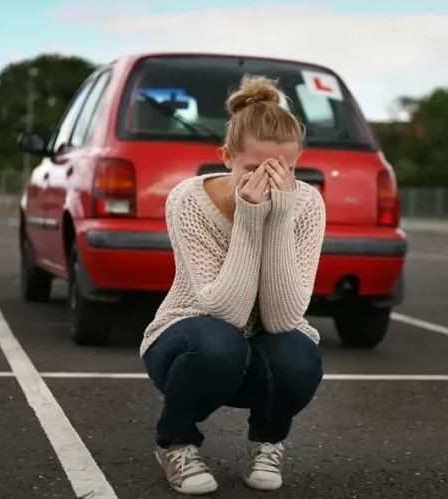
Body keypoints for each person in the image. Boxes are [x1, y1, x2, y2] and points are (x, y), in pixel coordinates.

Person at [139, 74, 326, 495]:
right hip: (188, 342)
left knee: (300, 354)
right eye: (255, 169)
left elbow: (281, 318)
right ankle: (176, 443)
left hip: (263, 345)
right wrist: (248, 217)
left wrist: (277, 218)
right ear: (225, 157)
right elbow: (225, 312)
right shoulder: (189, 200)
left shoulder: (307, 204)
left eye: (285, 170)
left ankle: (267, 442)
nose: (272, 181)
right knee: (219, 342)